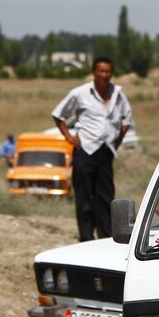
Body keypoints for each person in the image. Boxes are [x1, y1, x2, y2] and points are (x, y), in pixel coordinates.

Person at [51, 57, 135, 242]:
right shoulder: (80, 93)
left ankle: (106, 238)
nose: (104, 75)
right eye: (101, 71)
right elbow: (59, 115)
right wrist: (69, 137)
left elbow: (126, 120)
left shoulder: (117, 93)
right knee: (84, 197)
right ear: (94, 72)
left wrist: (117, 142)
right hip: (85, 149)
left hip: (106, 151)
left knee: (105, 197)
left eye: (108, 71)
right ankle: (86, 238)